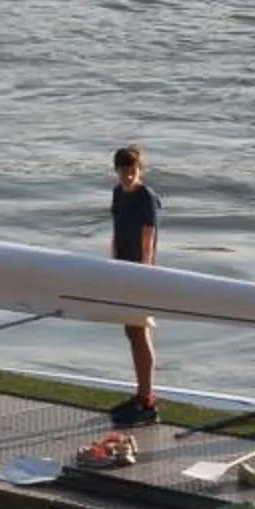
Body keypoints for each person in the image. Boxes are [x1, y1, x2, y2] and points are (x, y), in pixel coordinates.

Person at [108, 144, 161, 427]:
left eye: (132, 172)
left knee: (140, 331)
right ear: (116, 171)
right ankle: (141, 393)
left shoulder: (145, 197)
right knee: (131, 331)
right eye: (123, 172)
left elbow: (148, 240)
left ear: (139, 170)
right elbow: (116, 232)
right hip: (123, 271)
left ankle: (147, 399)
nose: (128, 177)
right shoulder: (118, 193)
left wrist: (143, 275)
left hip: (139, 273)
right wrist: (113, 267)